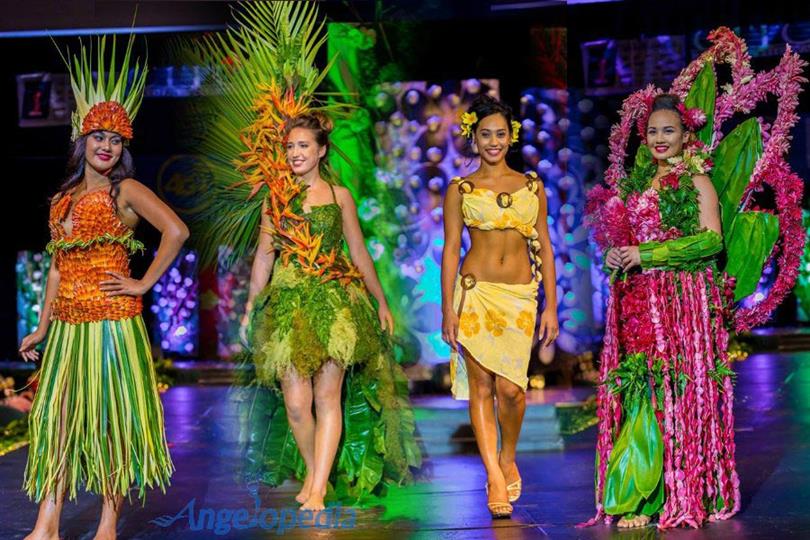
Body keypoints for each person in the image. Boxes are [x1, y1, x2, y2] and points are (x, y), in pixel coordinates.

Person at [19, 35, 188, 540]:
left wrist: (141, 282)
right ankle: (46, 524)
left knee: (112, 422)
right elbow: (56, 269)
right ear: (82, 139)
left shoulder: (126, 190)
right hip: (68, 327)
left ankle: (108, 523)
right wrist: (41, 325)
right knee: (57, 424)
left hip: (113, 325)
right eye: (99, 137)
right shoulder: (62, 199)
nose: (107, 146)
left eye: (116, 140)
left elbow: (177, 231)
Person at [243, 112, 421, 511]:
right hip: (288, 305)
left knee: (327, 397)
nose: (295, 153)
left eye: (303, 145)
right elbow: (263, 256)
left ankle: (319, 488)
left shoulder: (340, 197)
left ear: (321, 150)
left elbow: (358, 252)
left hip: (334, 301)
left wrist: (380, 300)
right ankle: (313, 471)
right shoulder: (276, 198)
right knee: (295, 403)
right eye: (289, 146)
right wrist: (252, 304)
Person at [586, 93, 735, 529]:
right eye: (652, 131)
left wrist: (648, 254)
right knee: (641, 389)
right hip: (637, 301)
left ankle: (656, 496)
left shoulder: (696, 181)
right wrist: (617, 254)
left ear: (687, 135)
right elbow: (628, 239)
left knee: (670, 392)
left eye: (668, 130)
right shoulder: (637, 185)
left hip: (677, 304)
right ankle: (639, 489)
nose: (659, 138)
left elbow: (711, 241)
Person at [441, 94, 558, 519]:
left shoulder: (532, 185)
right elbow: (451, 250)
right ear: (473, 137)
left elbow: (545, 245)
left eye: (500, 134)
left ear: (512, 137)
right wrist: (447, 310)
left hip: (520, 297)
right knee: (483, 388)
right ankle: (492, 473)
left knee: (512, 390)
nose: (493, 141)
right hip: (475, 293)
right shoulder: (461, 188)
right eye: (485, 134)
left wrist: (551, 306)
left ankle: (508, 455)